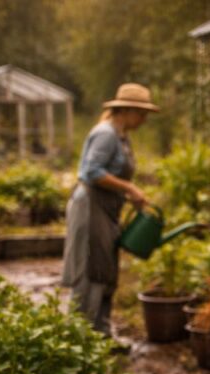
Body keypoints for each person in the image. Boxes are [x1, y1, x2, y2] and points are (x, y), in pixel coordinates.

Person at [62, 83, 157, 337]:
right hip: (90, 206)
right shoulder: (106, 134)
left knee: (106, 269)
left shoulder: (121, 136)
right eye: (142, 113)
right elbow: (91, 172)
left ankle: (101, 333)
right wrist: (129, 188)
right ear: (125, 110)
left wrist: (128, 194)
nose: (145, 119)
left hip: (106, 209)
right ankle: (78, 336)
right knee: (91, 268)